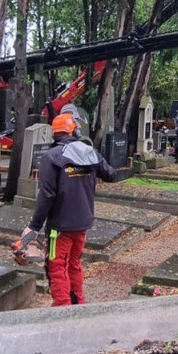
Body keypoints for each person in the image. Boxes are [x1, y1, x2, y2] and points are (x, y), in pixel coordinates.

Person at [21, 112, 115, 306]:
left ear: (55, 134)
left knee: (57, 266)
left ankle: (62, 309)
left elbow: (47, 195)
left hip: (60, 227)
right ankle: (77, 302)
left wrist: (34, 226)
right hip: (83, 223)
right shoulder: (89, 152)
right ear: (74, 131)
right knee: (73, 263)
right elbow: (110, 174)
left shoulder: (52, 157)